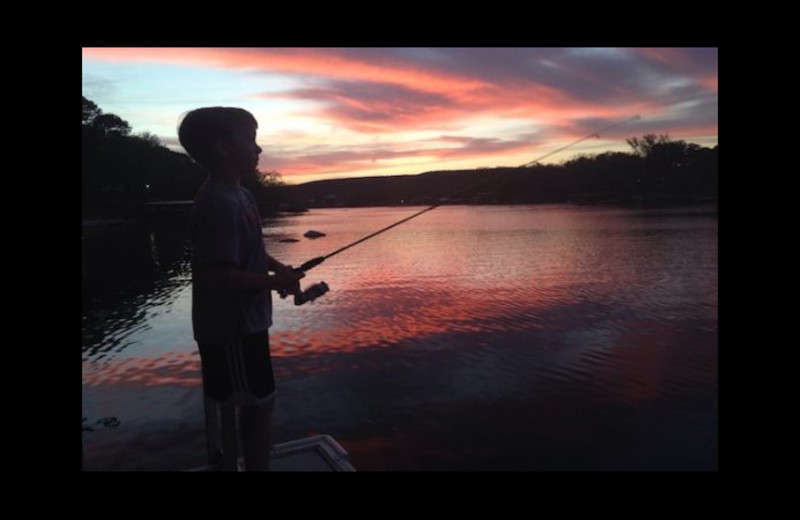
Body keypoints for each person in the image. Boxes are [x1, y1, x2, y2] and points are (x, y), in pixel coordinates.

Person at [178, 107, 304, 471]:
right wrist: (274, 283)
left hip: (249, 323)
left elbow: (251, 251)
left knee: (260, 402)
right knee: (247, 404)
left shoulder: (241, 196)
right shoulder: (217, 202)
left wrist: (278, 269)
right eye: (249, 139)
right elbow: (217, 277)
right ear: (223, 148)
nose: (258, 148)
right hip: (230, 330)